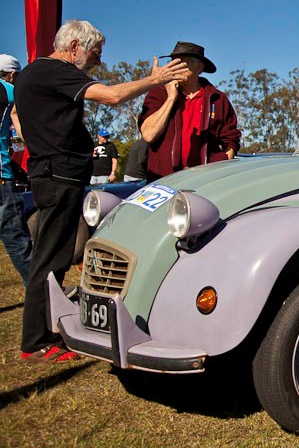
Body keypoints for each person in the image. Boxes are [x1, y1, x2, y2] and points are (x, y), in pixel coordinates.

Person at [14, 20, 189, 362]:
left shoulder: (32, 73)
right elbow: (111, 96)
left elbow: (20, 114)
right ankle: (35, 341)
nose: (98, 61)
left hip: (48, 172)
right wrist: (155, 80)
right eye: (95, 53)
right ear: (75, 46)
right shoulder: (57, 71)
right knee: (50, 259)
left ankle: (43, 331)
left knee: (51, 256)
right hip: (58, 175)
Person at [139, 41, 241, 182]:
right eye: (173, 62)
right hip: (164, 181)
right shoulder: (158, 94)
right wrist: (171, 98)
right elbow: (149, 135)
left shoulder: (217, 98)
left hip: (206, 181)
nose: (175, 67)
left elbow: (231, 136)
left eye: (182, 63)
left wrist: (227, 156)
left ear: (199, 67)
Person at [0, 54, 32, 287]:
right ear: (12, 75)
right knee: (16, 237)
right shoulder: (10, 91)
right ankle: (42, 293)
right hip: (1, 175)